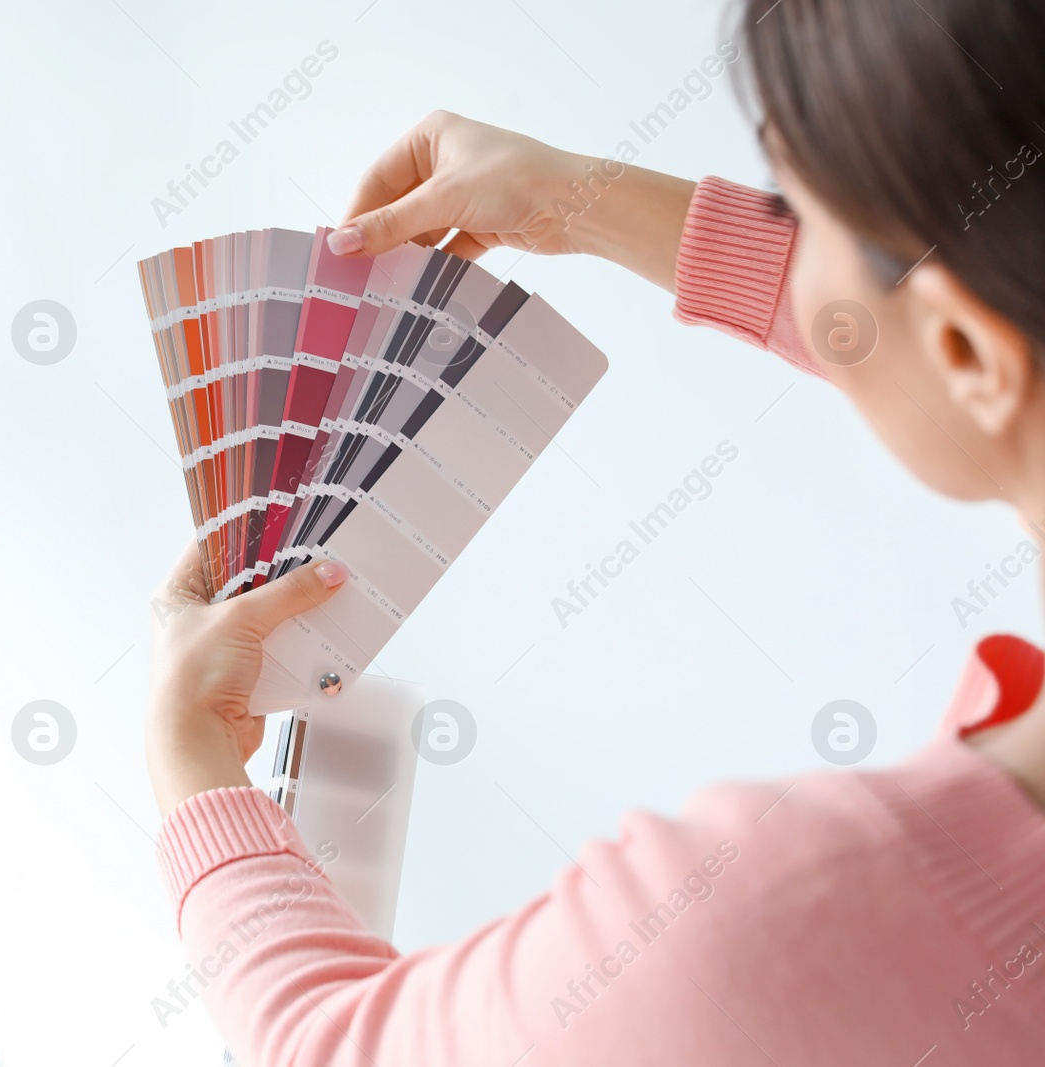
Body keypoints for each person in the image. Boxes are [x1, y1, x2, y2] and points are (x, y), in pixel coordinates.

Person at [144, 0, 1045, 1062]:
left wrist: (187, 749)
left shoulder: (791, 924)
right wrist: (570, 202)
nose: (794, 252)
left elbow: (330, 1045)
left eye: (801, 212)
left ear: (965, 348)